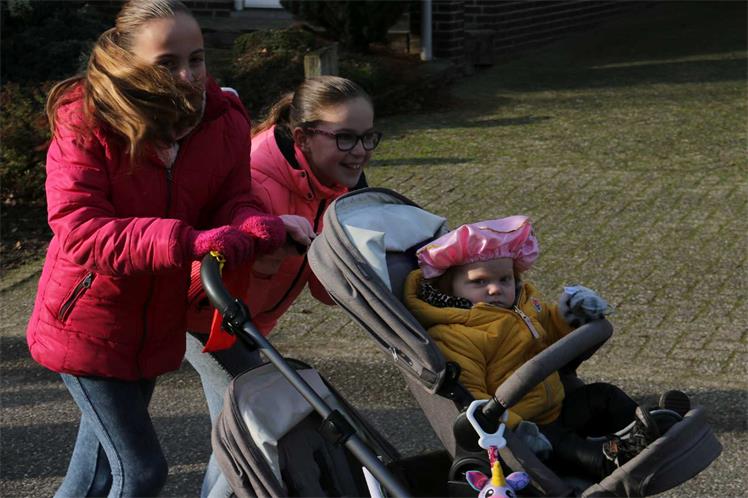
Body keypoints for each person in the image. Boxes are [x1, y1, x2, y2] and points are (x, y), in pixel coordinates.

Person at [25, 1, 311, 496]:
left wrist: (249, 223)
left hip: (154, 321)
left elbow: (231, 198)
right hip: (90, 320)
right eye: (167, 62)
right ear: (127, 61)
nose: (187, 75)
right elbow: (81, 230)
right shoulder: (87, 122)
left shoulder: (222, 119)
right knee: (139, 472)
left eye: (196, 59)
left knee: (96, 475)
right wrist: (189, 241)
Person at [184, 75, 380, 497]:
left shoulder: (334, 183)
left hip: (249, 320)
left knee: (236, 435)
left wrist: (356, 255)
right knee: (252, 431)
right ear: (303, 137)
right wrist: (265, 250)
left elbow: (325, 291)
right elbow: (202, 267)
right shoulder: (256, 175)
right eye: (346, 138)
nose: (360, 151)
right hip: (208, 316)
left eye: (368, 137)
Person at [403, 215, 686, 480]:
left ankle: (651, 426)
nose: (495, 289)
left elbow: (549, 330)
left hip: (557, 406)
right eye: (479, 282)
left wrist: (567, 316)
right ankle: (612, 459)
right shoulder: (455, 335)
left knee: (604, 395)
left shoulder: (523, 306)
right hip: (527, 428)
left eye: (504, 279)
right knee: (567, 445)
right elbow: (473, 396)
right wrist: (515, 429)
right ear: (449, 288)